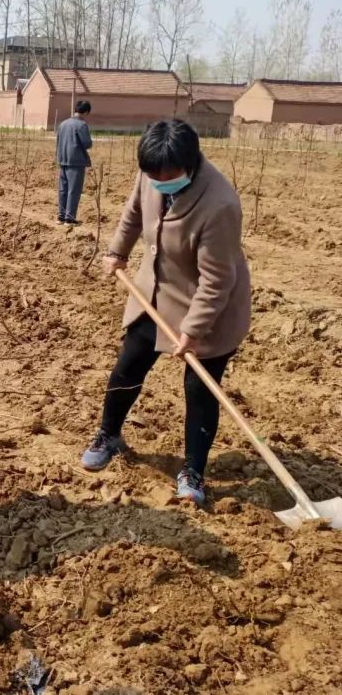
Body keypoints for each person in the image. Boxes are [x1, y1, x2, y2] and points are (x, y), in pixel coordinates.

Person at [82, 119, 251, 505]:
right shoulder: (152, 175)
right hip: (155, 292)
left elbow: (217, 281)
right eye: (152, 176)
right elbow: (133, 212)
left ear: (191, 166)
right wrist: (117, 251)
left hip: (209, 306)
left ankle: (193, 471)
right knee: (129, 365)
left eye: (168, 178)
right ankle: (109, 434)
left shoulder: (219, 205)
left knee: (200, 388)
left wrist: (192, 330)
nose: (159, 183)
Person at [56, 100, 93, 225]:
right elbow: (87, 143)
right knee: (74, 190)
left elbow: (58, 142)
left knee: (63, 189)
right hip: (76, 161)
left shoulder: (63, 124)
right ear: (86, 112)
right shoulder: (81, 125)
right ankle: (69, 218)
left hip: (63, 160)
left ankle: (61, 216)